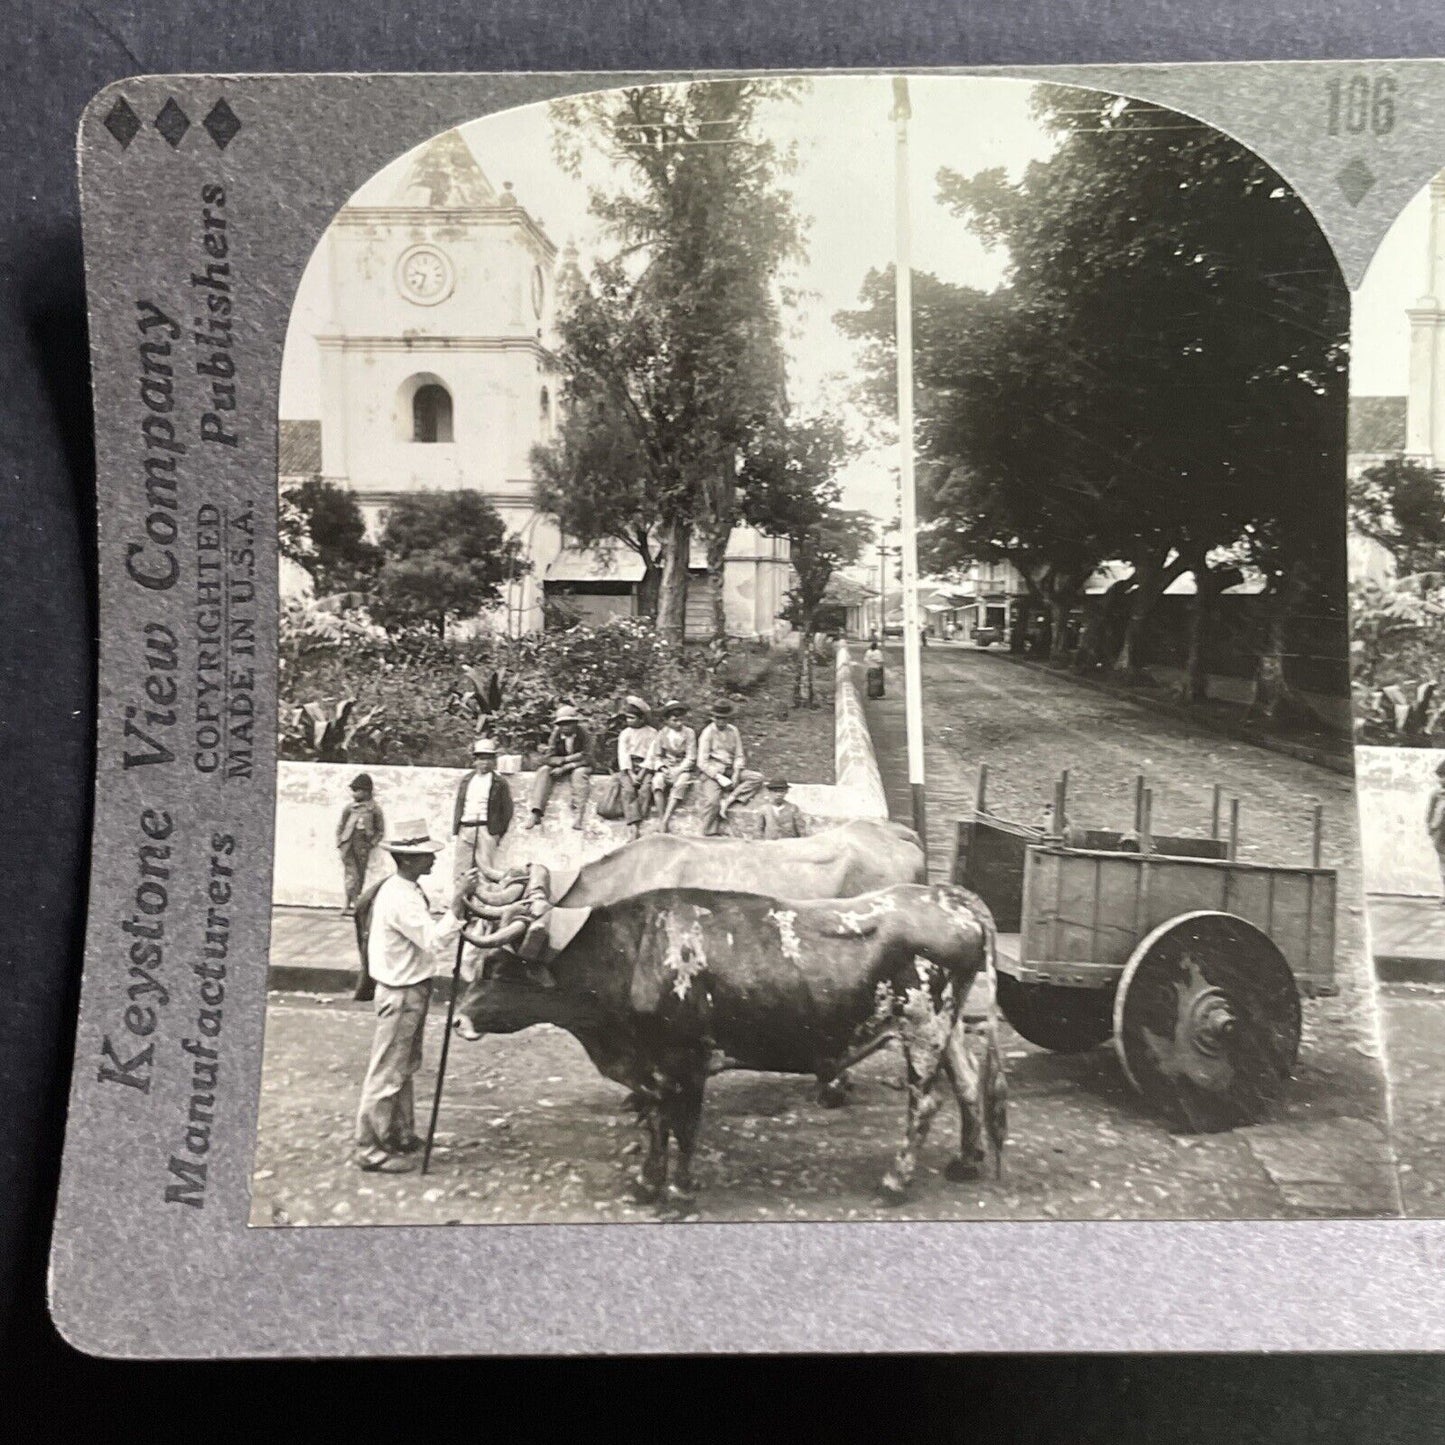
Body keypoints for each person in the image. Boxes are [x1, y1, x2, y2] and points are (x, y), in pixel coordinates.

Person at [354, 820, 470, 1173]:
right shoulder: (400, 896)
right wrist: (457, 907)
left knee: (404, 1066)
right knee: (388, 1071)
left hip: (411, 987)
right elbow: (433, 940)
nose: (431, 860)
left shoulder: (405, 888)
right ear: (407, 860)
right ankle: (370, 1149)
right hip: (401, 991)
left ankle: (399, 1133)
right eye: (424, 856)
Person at [696, 699, 764, 836]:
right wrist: (718, 777)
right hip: (713, 772)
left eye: (724, 719)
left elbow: (739, 755)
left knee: (757, 778)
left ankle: (730, 799)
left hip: (729, 769)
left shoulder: (733, 731)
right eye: (718, 718)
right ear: (713, 717)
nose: (721, 722)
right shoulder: (707, 733)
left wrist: (736, 772)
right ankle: (707, 832)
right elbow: (702, 762)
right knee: (712, 800)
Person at [451, 737, 513, 886]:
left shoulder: (499, 782)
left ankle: (481, 905)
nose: (485, 763)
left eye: (489, 759)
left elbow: (507, 810)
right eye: (481, 759)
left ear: (494, 761)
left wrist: (497, 833)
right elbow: (460, 804)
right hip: (466, 827)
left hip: (487, 828)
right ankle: (460, 904)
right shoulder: (467, 780)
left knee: (486, 871)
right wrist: (457, 828)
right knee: (462, 869)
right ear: (475, 760)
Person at [527, 704, 593, 830]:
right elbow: (547, 758)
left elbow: (588, 757)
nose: (565, 727)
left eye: (569, 723)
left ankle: (579, 815)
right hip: (562, 765)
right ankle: (536, 812)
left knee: (579, 775)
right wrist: (563, 760)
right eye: (562, 724)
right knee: (544, 770)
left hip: (581, 765)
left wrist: (566, 766)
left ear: (575, 723)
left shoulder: (585, 734)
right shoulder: (556, 735)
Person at [646, 699, 698, 833]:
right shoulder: (662, 733)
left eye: (681, 720)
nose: (679, 723)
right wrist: (662, 768)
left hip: (682, 767)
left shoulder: (689, 733)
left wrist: (678, 770)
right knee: (657, 781)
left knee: (681, 783)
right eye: (675, 720)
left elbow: (691, 757)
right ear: (667, 721)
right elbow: (657, 756)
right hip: (667, 766)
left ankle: (666, 819)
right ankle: (661, 816)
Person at [336, 773, 384, 917]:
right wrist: (340, 840)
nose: (354, 794)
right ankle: (347, 903)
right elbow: (341, 825)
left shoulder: (374, 809)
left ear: (367, 792)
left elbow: (380, 830)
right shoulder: (350, 808)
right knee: (350, 874)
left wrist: (372, 843)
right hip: (348, 843)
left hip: (362, 844)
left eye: (358, 790)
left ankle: (356, 904)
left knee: (359, 874)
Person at [615, 695, 658, 840]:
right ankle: (632, 825)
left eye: (632, 718)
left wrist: (643, 772)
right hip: (629, 768)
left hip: (646, 766)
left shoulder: (652, 733)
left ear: (641, 719)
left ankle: (640, 820)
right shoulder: (625, 733)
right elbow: (623, 754)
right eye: (627, 718)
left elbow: (652, 754)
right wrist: (631, 774)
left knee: (646, 788)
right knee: (628, 790)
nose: (629, 721)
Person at [1427, 759, 1445, 905]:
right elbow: (1430, 814)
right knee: (1443, 864)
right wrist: (1431, 830)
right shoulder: (1436, 794)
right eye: (1441, 776)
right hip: (1441, 834)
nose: (1442, 779)